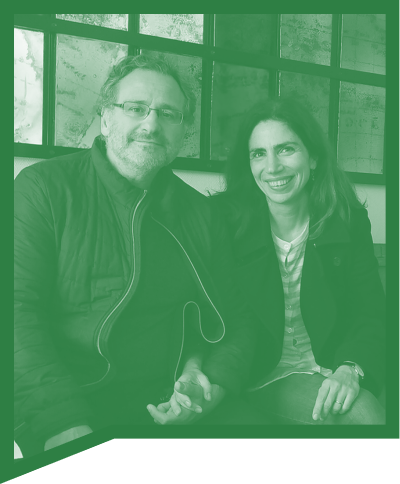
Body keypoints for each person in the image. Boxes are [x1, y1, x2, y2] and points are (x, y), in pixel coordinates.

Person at [14, 54, 269, 458]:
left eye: (168, 113)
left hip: (172, 401)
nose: (152, 124)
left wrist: (209, 387)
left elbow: (237, 320)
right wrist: (62, 421)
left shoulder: (201, 214)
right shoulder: (43, 188)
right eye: (136, 108)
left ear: (182, 130)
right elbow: (15, 313)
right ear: (105, 118)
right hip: (71, 399)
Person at [208, 97, 386, 425]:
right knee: (363, 417)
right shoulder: (223, 222)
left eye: (286, 149)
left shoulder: (347, 220)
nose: (272, 167)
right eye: (258, 153)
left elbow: (370, 311)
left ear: (313, 157)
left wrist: (351, 367)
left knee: (366, 414)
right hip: (258, 371)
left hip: (331, 364)